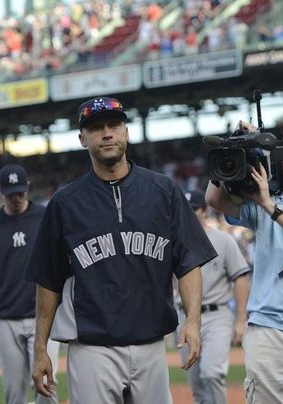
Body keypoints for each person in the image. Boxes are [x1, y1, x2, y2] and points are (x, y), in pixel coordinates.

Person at [26, 96, 217, 403]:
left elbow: (188, 263)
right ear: (82, 138)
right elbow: (47, 280)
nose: (107, 133)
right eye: (96, 127)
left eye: (114, 125)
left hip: (151, 344)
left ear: (126, 131)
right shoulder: (65, 203)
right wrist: (40, 351)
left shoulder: (163, 191)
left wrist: (193, 322)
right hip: (91, 347)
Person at [206, 123, 283, 402]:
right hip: (269, 330)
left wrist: (270, 206)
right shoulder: (263, 199)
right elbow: (213, 199)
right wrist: (232, 147)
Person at [0, 163, 60, 404]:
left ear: (28, 188)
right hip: (6, 318)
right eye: (10, 193)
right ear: (0, 191)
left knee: (48, 387)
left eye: (20, 192)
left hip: (44, 316)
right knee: (13, 392)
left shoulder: (45, 217)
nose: (16, 198)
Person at [178, 189, 251, 404]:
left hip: (216, 314)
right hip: (184, 316)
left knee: (211, 373)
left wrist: (240, 319)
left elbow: (240, 277)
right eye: (186, 210)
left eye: (194, 210)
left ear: (204, 210)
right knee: (197, 387)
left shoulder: (223, 240)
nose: (190, 214)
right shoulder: (174, 241)